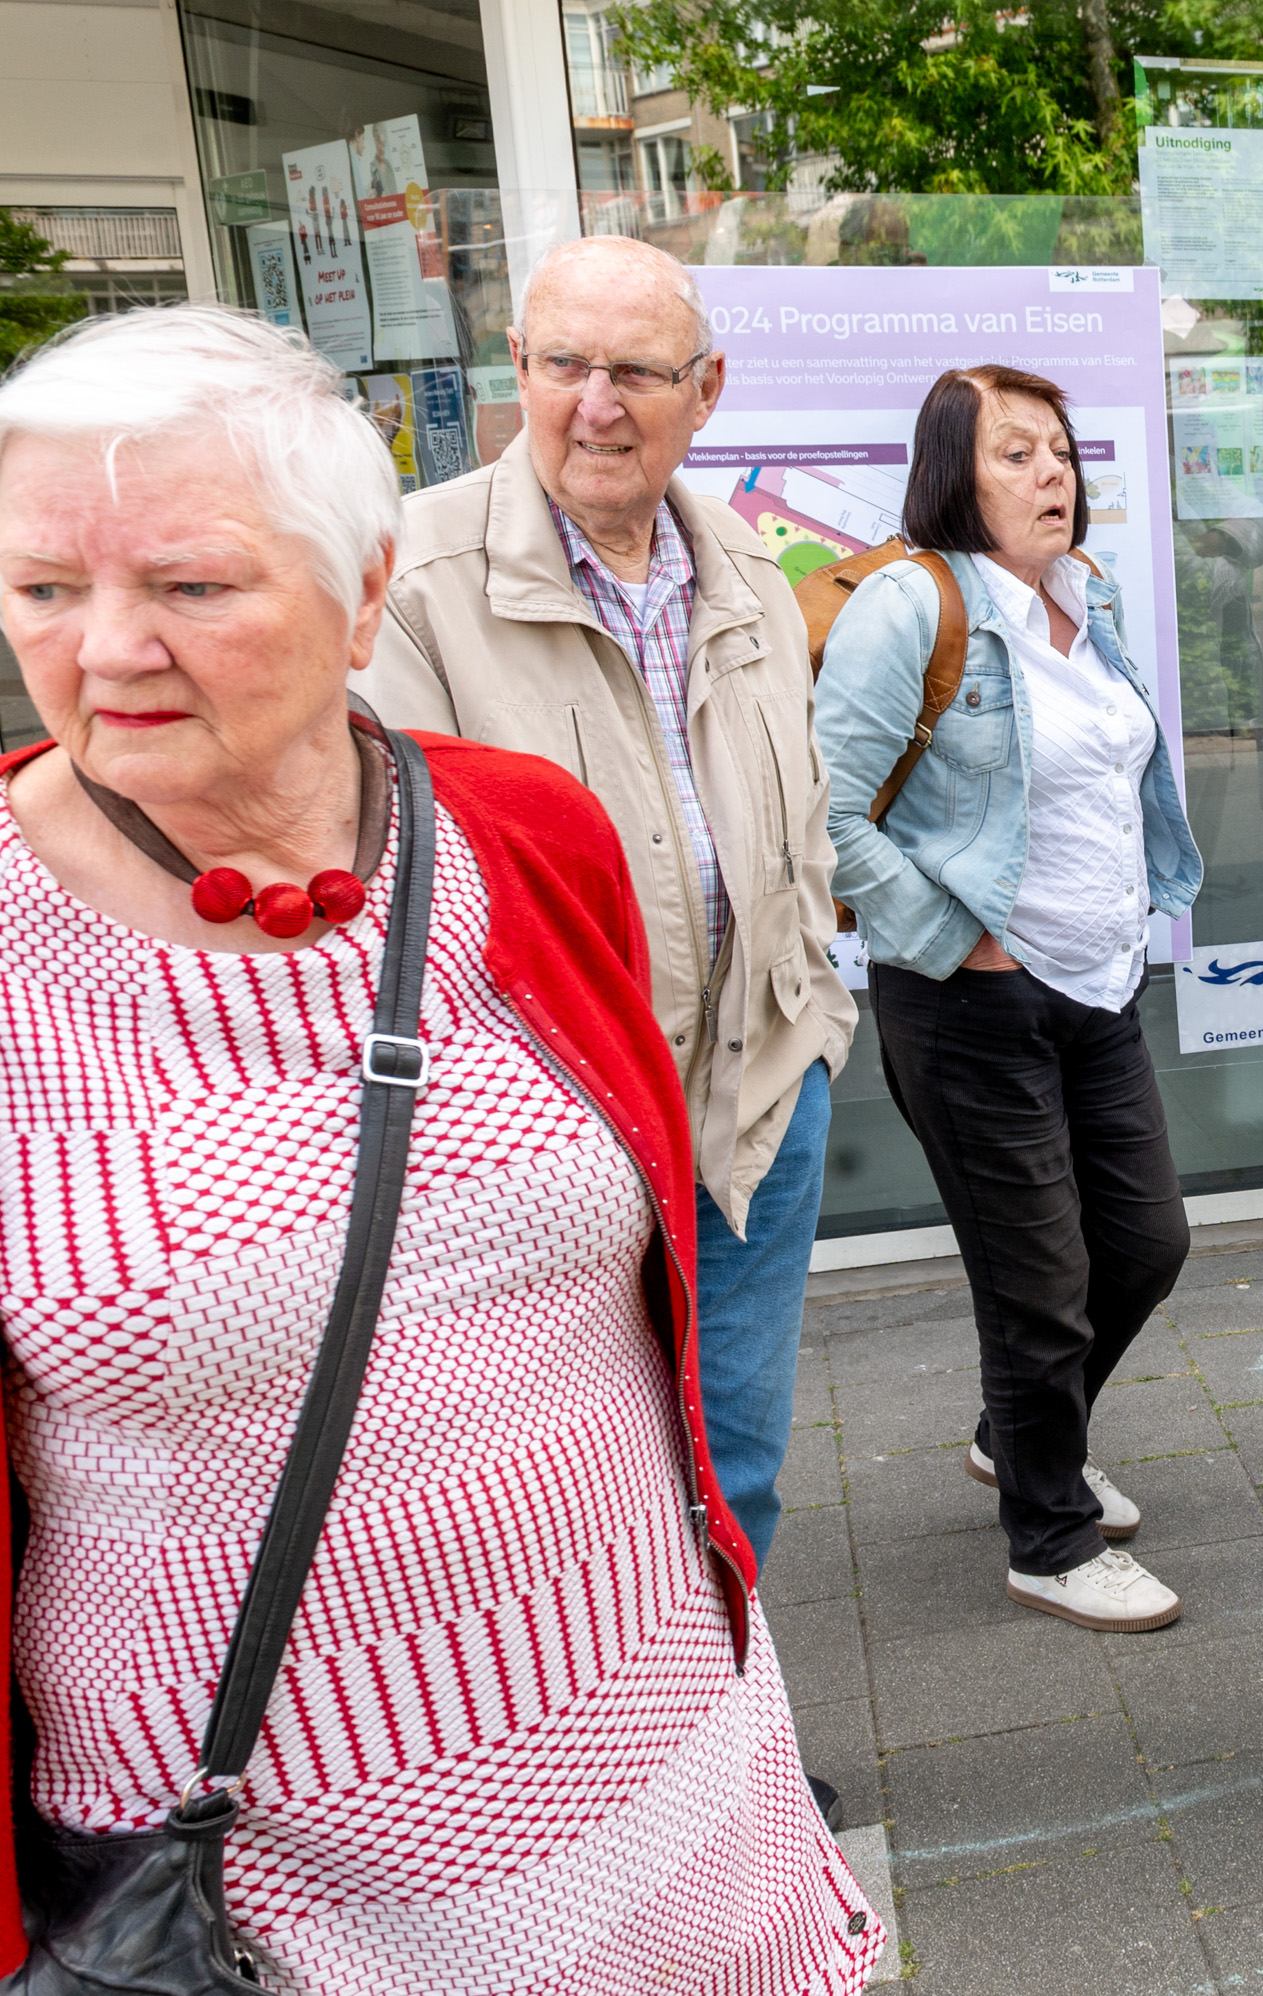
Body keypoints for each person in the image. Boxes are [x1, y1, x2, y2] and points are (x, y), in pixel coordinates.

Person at [0, 305, 881, 1989]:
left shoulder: (518, 833)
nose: (106, 651)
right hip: (245, 1876)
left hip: (663, 1758)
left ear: (360, 601)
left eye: (190, 587)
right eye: (47, 588)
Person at [364, 239, 853, 1594]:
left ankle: (731, 1739)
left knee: (737, 1455)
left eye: (636, 370)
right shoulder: (412, 577)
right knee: (565, 1481)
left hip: (758, 1096)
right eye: (565, 363)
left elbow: (799, 807)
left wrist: (810, 1010)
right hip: (555, 1128)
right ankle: (610, 1756)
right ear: (517, 369)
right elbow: (405, 889)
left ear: (706, 391)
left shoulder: (748, 561)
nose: (597, 403)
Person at [816, 365, 1201, 1635]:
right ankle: (1051, 1534)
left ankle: (1020, 1430)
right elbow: (823, 813)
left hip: (1096, 980)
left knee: (1144, 1244)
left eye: (1060, 452)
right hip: (972, 1000)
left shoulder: (1084, 600)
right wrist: (949, 934)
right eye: (1017, 455)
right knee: (1036, 1278)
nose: (1053, 476)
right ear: (953, 475)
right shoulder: (903, 608)